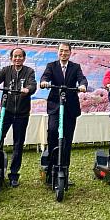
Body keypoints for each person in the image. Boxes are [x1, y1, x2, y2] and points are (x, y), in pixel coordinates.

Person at [0, 47, 37, 187]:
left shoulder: (29, 71)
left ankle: (14, 175)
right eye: (15, 56)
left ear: (24, 58)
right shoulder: (6, 70)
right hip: (6, 111)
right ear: (11, 58)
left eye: (20, 56)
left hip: (22, 113)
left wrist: (28, 89)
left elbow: (33, 85)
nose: (17, 58)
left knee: (18, 143)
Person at [39, 43, 88, 177]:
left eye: (66, 51)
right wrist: (44, 82)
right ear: (58, 52)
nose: (63, 53)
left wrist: (83, 85)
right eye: (61, 51)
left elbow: (82, 78)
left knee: (67, 138)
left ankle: (64, 170)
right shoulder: (51, 66)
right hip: (55, 106)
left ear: (70, 53)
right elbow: (45, 77)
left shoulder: (75, 67)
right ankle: (51, 168)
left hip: (70, 108)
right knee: (53, 132)